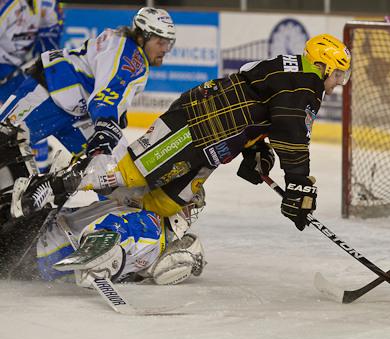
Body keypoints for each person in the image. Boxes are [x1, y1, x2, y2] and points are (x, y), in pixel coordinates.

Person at [13, 33, 352, 231]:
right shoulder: (306, 85)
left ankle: (112, 236)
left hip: (215, 141)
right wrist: (299, 183)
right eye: (338, 74)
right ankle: (53, 185)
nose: (338, 84)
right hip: (192, 128)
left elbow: (255, 103)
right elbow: (291, 131)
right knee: (127, 178)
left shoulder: (285, 68)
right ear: (322, 65)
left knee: (166, 201)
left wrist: (255, 150)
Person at [0, 6, 176, 192]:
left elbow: (105, 83)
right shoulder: (131, 56)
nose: (165, 49)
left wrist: (113, 118)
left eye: (168, 43)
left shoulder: (123, 45)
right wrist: (107, 124)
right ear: (142, 37)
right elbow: (108, 93)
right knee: (5, 141)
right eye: (160, 42)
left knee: (114, 175)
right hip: (48, 93)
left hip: (77, 110)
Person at [34, 187, 206, 288]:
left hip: (38, 236)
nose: (189, 215)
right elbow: (110, 229)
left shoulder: (145, 217)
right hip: (44, 254)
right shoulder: (150, 224)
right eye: (189, 208)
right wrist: (96, 254)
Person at [0, 0, 64, 174]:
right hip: (6, 70)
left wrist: (43, 64)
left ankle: (40, 169)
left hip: (17, 73)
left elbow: (50, 41)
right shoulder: (7, 7)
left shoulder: (48, 5)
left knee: (27, 119)